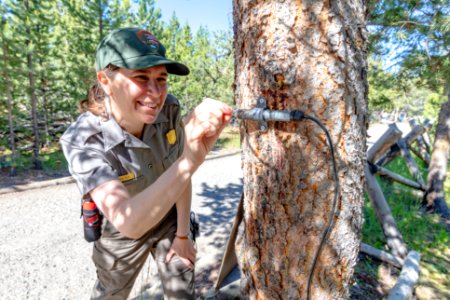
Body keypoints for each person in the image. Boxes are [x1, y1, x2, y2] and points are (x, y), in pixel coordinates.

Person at [60, 27, 232, 299]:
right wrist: (188, 161)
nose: (155, 93)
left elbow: (178, 176)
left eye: (161, 79)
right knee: (111, 294)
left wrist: (184, 235)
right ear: (105, 80)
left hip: (170, 218)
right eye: (141, 77)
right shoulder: (83, 139)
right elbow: (128, 221)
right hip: (119, 234)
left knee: (181, 290)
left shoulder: (170, 109)